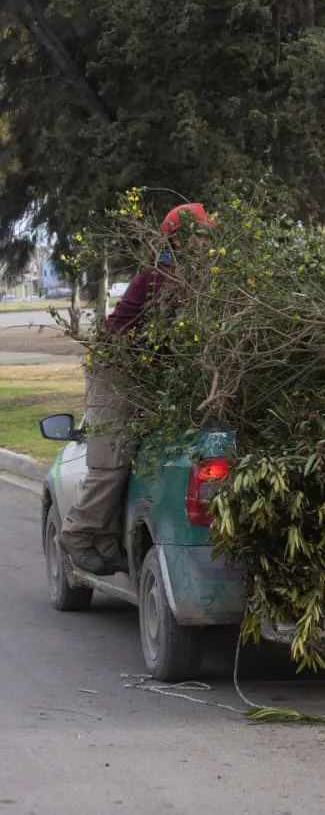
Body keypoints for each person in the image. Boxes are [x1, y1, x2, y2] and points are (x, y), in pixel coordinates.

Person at [60, 203, 214, 575]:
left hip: (142, 374)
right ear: (180, 239)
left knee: (138, 460)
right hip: (114, 371)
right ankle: (77, 536)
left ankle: (109, 544)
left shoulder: (185, 275)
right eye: (201, 233)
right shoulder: (166, 278)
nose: (207, 240)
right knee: (111, 462)